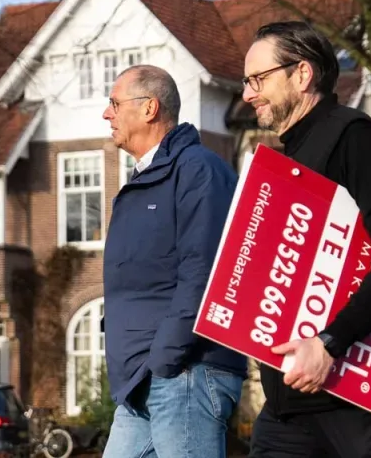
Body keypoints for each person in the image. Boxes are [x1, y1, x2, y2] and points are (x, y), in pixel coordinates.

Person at [240, 21, 371, 457]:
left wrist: (329, 343)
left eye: (258, 79)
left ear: (302, 74)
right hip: (288, 405)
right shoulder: (288, 160)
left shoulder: (355, 139)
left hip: (356, 401)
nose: (247, 94)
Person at [100, 64, 247, 458]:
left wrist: (166, 357)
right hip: (143, 381)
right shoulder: (145, 178)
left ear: (149, 108)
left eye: (114, 103)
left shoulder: (197, 170)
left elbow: (203, 271)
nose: (106, 114)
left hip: (184, 374)